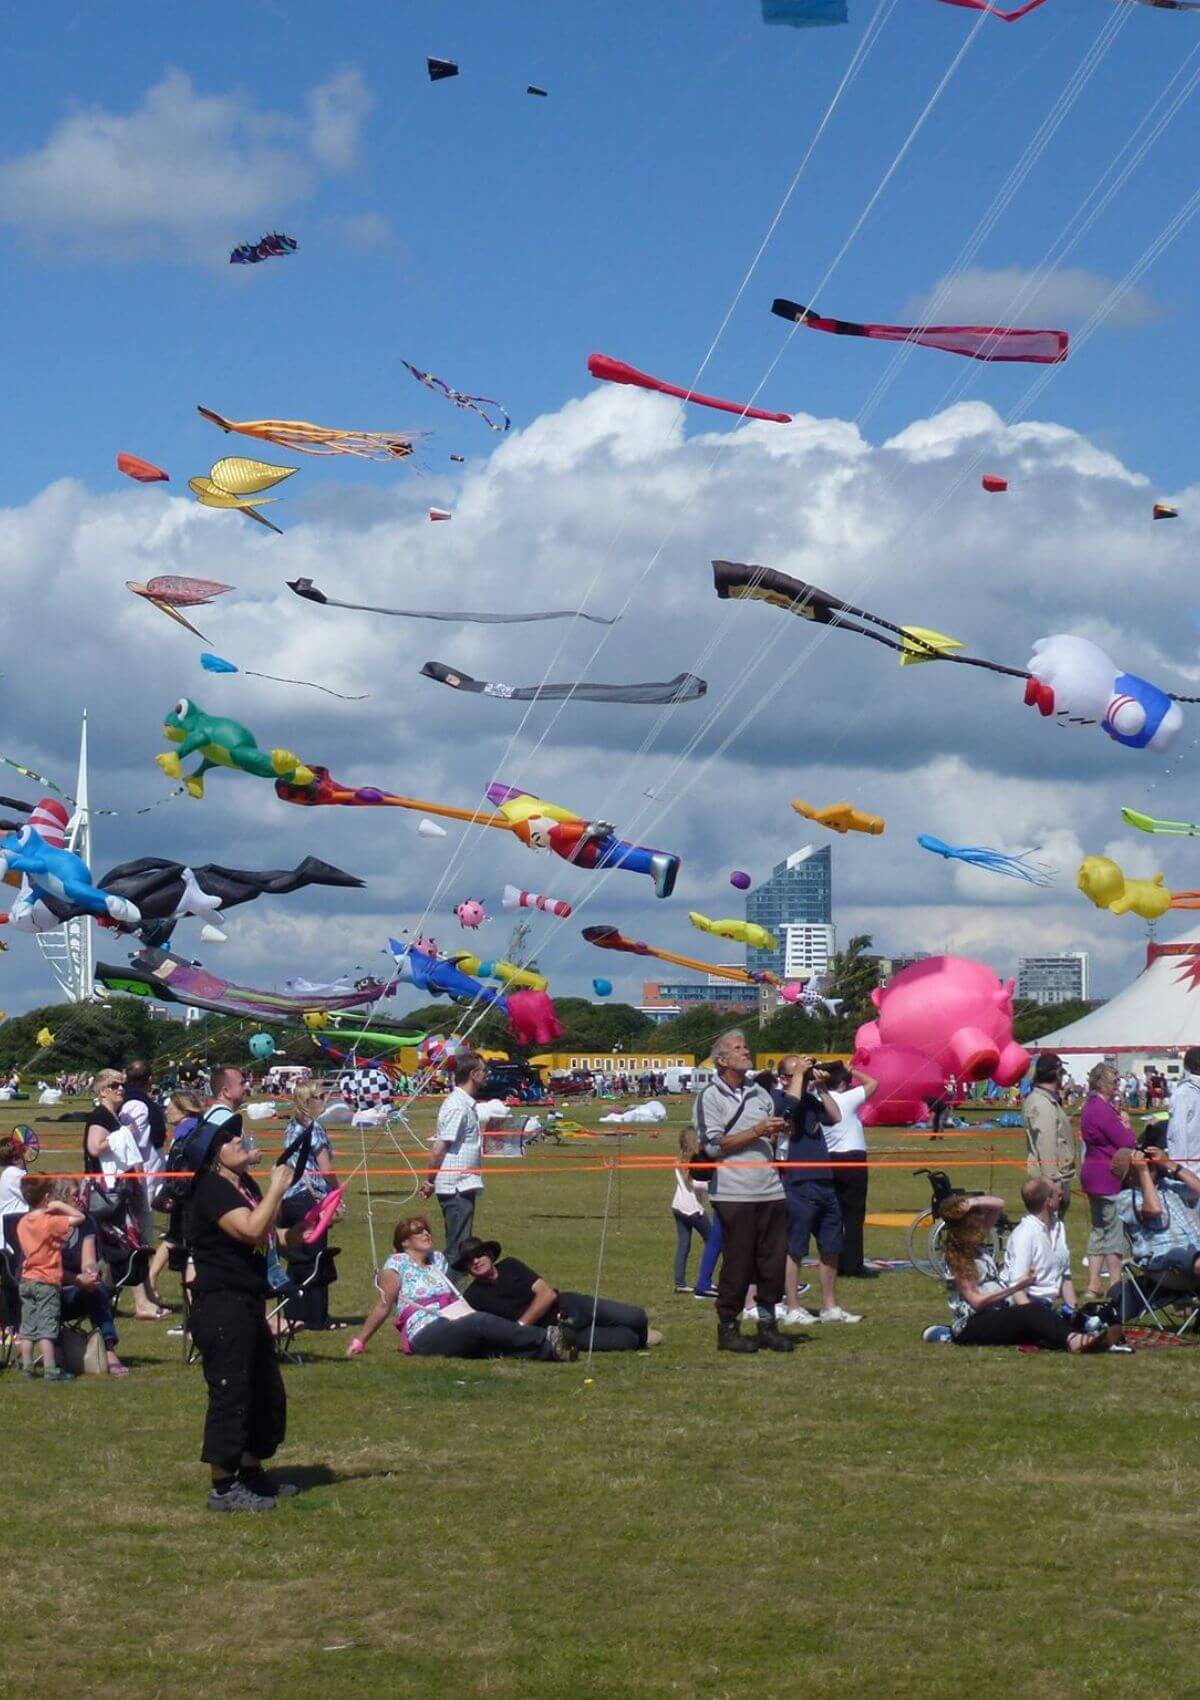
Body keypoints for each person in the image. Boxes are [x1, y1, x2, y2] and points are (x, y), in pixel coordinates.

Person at [181, 1110, 296, 1512]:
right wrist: (277, 1189)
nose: (239, 1141)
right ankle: (224, 1487)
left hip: (248, 1299)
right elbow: (248, 1229)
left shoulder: (242, 1183)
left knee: (264, 1389)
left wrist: (303, 1232)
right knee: (231, 1392)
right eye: (229, 1139)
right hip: (221, 1301)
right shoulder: (210, 1188)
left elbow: (264, 1230)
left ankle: (251, 1470)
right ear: (213, 1154)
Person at [346, 1215, 575, 1361]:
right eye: (417, 1232)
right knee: (480, 1322)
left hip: (452, 1319)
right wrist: (360, 1341)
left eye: (426, 1229)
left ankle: (554, 1352)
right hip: (424, 1331)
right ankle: (546, 1338)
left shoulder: (437, 1260)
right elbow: (383, 1304)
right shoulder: (396, 1263)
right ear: (404, 1242)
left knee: (490, 1345)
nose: (426, 1233)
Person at [695, 1028, 792, 1354]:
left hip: (770, 1190)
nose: (746, 1051)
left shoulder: (761, 1094)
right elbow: (712, 1146)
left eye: (746, 1046)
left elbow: (767, 1138)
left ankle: (768, 1324)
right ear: (721, 1060)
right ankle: (728, 1328)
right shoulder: (710, 1096)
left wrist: (776, 1131)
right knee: (737, 1263)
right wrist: (757, 1130)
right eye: (738, 1048)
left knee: (772, 1263)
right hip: (734, 1193)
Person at [938, 1193, 1118, 1352]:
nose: (982, 1219)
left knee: (1041, 1319)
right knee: (1030, 1311)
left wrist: (971, 1202)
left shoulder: (976, 1243)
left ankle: (1087, 1336)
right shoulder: (957, 1256)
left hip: (996, 1314)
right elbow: (977, 1302)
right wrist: (1016, 1287)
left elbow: (999, 1204)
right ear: (966, 1225)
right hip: (971, 1324)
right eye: (976, 1217)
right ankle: (1075, 1341)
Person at [454, 1235, 660, 1351]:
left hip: (570, 1305)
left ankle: (639, 1332)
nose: (476, 1261)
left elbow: (547, 1294)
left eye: (479, 1255)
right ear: (466, 1268)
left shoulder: (511, 1265)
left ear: (489, 1255)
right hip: (559, 1333)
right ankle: (639, 1337)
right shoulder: (474, 1296)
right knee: (629, 1341)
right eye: (469, 1260)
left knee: (637, 1316)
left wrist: (520, 1327)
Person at [779, 1054, 861, 1325]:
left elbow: (835, 1116)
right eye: (796, 1072)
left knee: (831, 1246)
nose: (803, 1075)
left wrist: (821, 1087)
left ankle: (829, 1306)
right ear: (784, 1078)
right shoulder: (781, 1100)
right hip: (798, 1182)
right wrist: (799, 1078)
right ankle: (792, 1306)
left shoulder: (812, 1100)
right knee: (796, 1248)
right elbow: (785, 1112)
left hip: (824, 1180)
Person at [84, 1068, 164, 1321]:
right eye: (116, 1085)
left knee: (113, 1248)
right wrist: (121, 1136)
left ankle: (103, 1299)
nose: (122, 1089)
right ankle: (141, 1303)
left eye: (122, 1084)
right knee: (128, 1244)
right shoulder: (101, 1116)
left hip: (119, 1190)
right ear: (103, 1091)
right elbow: (94, 1147)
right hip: (107, 1191)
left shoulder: (113, 1116)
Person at [421, 1053, 486, 1275]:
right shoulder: (458, 1106)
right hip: (455, 1184)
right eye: (483, 1071)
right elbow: (440, 1148)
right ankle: (448, 1297)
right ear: (473, 1074)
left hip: (464, 1182)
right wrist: (430, 1180)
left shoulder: (465, 1104)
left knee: (461, 1243)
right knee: (459, 1249)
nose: (486, 1075)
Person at [15, 1176, 84, 1380]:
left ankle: (27, 1366)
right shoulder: (50, 1222)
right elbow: (79, 1217)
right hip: (46, 1280)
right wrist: (60, 1205)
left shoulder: (22, 1222)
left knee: (27, 1326)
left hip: (27, 1279)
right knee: (47, 1326)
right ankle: (50, 1367)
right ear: (47, 1197)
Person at [58, 1185, 129, 1375]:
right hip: (50, 1289)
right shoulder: (48, 1223)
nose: (82, 1198)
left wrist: (90, 1273)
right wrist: (76, 1279)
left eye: (83, 1194)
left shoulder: (86, 1222)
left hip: (76, 1289)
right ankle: (56, 1355)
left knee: (96, 1289)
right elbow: (48, 1269)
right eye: (75, 1195)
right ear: (60, 1198)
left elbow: (88, 1259)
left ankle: (108, 1349)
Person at [1080, 1062, 1135, 1301]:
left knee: (1098, 1230)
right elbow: (1126, 1142)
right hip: (1107, 1175)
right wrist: (1127, 1125)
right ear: (1103, 1082)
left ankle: (1093, 1284)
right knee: (1113, 1232)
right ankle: (1114, 1282)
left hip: (1091, 1171)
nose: (1117, 1086)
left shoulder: (1088, 1107)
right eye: (1114, 1082)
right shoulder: (1103, 1110)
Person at [146, 1090, 205, 1302]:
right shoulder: (187, 1129)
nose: (166, 1111)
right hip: (185, 1198)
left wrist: (174, 1193)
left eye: (169, 1107)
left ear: (183, 1110)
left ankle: (193, 1314)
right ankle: (150, 1281)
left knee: (184, 1248)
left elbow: (184, 1167)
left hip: (187, 1199)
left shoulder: (187, 1132)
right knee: (174, 1239)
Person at [1111, 1146, 1200, 1283]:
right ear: (1129, 1176)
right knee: (1185, 1256)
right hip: (1164, 1260)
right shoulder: (1126, 1198)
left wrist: (1170, 1164)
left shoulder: (1167, 1185)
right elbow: (1154, 1209)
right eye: (1143, 1163)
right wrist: (1143, 1171)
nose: (1149, 1165)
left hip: (1194, 1251)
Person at [824, 1062, 880, 1280]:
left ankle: (834, 1262)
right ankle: (853, 1264)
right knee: (854, 1215)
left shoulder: (820, 1100)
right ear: (841, 1083)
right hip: (852, 1159)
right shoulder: (846, 1098)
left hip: (829, 1159)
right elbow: (873, 1083)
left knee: (834, 1215)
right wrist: (852, 1070)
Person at [1000, 1178, 1076, 1309]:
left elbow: (1065, 1277)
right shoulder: (1024, 1234)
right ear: (1048, 1202)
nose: (1061, 1194)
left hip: (1046, 1307)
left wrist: (1075, 1313)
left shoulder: (1059, 1227)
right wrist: (1038, 1319)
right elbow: (1016, 1290)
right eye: (1057, 1194)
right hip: (1023, 1308)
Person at [1023, 1053, 1076, 1214]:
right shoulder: (1043, 1104)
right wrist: (1053, 1184)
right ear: (1056, 1074)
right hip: (1051, 1181)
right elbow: (1046, 1144)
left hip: (1049, 1178)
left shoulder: (1040, 1099)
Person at [671, 1127, 711, 1292]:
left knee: (683, 1245)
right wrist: (713, 1183)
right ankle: (705, 1280)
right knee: (713, 1242)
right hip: (692, 1209)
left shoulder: (679, 1159)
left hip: (678, 1206)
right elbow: (695, 1184)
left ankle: (680, 1283)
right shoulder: (691, 1161)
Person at [1166, 1049, 1200, 1166]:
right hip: (1192, 1170)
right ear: (1197, 1067)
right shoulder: (1183, 1094)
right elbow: (1177, 1133)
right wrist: (1180, 1168)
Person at [0, 1130, 31, 1218]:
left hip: (15, 1225)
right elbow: (35, 1196)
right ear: (15, 1159)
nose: (27, 1152)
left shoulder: (12, 1173)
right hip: (10, 1228)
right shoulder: (14, 1175)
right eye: (23, 1150)